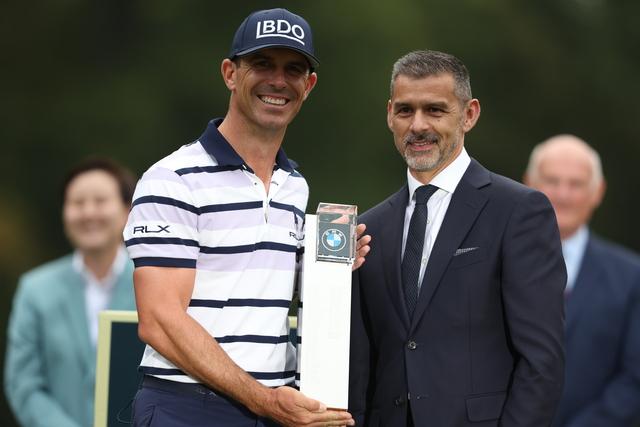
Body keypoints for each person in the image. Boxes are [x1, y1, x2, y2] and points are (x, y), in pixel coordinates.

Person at [124, 8, 369, 427]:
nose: (278, 81)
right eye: (262, 64)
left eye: (293, 69)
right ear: (230, 74)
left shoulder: (295, 185)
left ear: (308, 86)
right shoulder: (173, 178)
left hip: (276, 408)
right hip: (188, 407)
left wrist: (324, 274)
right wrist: (263, 400)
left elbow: (259, 293)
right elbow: (159, 321)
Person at [348, 49, 566, 427]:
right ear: (389, 115)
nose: (418, 125)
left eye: (435, 110)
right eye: (405, 110)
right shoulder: (369, 229)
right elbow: (360, 361)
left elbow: (541, 362)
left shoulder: (518, 211)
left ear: (469, 115)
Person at [4, 157, 138, 427]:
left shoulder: (153, 284)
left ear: (127, 211)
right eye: (77, 203)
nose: (88, 212)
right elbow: (23, 382)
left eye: (100, 201)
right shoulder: (35, 290)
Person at [524, 134, 640, 427]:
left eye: (576, 184)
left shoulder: (631, 278)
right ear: (528, 184)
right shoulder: (488, 264)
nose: (563, 195)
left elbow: (634, 378)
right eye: (552, 181)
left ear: (597, 192)